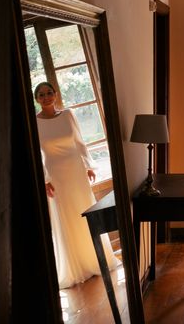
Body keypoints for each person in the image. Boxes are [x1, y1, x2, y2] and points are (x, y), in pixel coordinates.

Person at [34, 82, 118, 288]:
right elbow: (36, 153)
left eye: (49, 93)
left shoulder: (68, 114)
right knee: (66, 217)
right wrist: (44, 179)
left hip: (76, 172)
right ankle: (75, 267)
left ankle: (97, 259)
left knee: (85, 212)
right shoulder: (34, 122)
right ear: (36, 99)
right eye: (41, 94)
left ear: (56, 94)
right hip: (55, 176)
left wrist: (89, 166)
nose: (46, 97)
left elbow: (80, 142)